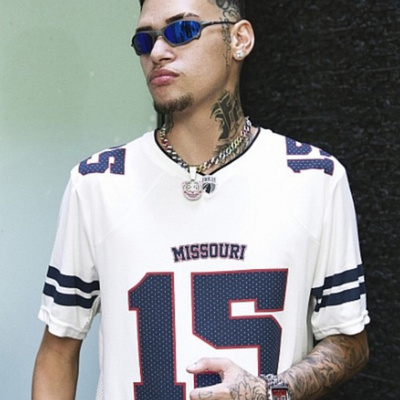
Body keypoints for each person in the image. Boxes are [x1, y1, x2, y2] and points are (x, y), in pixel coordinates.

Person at [32, 0, 370, 399]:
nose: (158, 52)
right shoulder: (97, 183)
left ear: (239, 39)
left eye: (182, 31)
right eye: (145, 40)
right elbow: (58, 350)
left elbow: (349, 343)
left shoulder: (314, 178)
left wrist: (269, 390)